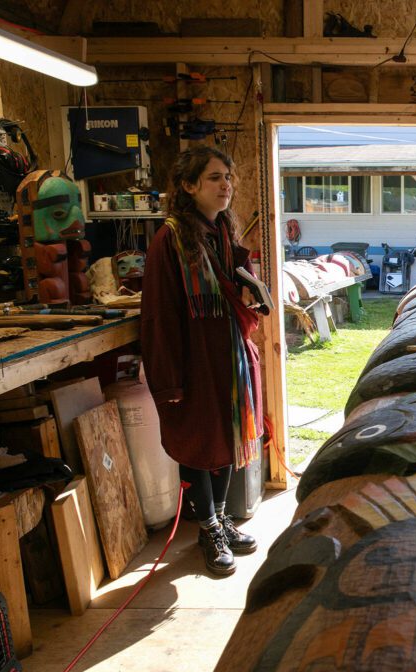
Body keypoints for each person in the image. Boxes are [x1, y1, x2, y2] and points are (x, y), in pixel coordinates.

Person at [141, 147, 262, 576]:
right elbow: (160, 314)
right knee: (196, 441)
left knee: (227, 436)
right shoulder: (169, 241)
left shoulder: (222, 234)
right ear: (189, 186)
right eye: (214, 177)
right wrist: (169, 382)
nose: (226, 184)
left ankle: (223, 520)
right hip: (193, 361)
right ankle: (208, 526)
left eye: (228, 176)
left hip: (226, 356)